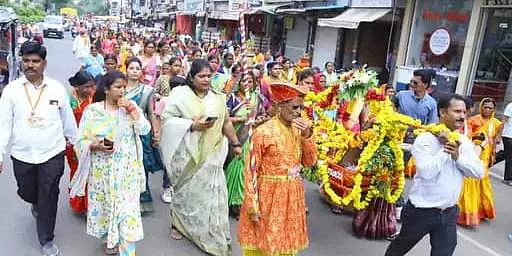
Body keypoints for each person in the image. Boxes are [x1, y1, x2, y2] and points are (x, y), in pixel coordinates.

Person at [0, 41, 77, 256]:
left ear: (44, 63)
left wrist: (78, 145)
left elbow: (68, 121)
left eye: (35, 61)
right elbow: (3, 124)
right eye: (26, 61)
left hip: (52, 153)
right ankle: (34, 202)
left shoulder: (57, 89)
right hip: (22, 155)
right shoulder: (11, 91)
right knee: (27, 191)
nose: (30, 65)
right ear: (21, 62)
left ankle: (46, 239)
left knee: (49, 194)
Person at [384, 94, 484, 256]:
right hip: (421, 211)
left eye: (464, 112)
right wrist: (445, 149)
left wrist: (458, 157)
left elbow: (479, 172)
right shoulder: (425, 139)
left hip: (449, 212)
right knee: (400, 248)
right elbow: (427, 173)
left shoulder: (462, 141)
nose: (462, 116)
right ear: (443, 112)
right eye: (457, 111)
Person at [159, 59, 241, 255]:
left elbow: (226, 122)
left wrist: (236, 143)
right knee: (186, 194)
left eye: (208, 76)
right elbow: (167, 120)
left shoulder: (218, 98)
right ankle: (178, 224)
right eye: (201, 76)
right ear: (191, 77)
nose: (205, 80)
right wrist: (192, 125)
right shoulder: (180, 95)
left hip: (213, 154)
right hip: (187, 154)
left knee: (212, 197)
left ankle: (211, 235)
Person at [71, 70, 149, 256]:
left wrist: (132, 111)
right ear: (106, 89)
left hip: (127, 170)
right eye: (118, 87)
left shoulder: (131, 108)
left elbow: (144, 129)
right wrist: (94, 146)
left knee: (127, 212)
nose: (122, 91)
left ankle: (127, 251)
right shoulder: (93, 111)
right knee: (106, 206)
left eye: (124, 87)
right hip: (102, 170)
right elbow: (79, 141)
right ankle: (109, 238)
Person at [237, 81, 317, 256]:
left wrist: (308, 136)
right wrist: (252, 205)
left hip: (292, 194)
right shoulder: (264, 132)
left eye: (301, 109)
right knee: (266, 241)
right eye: (295, 107)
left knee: (286, 243)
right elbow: (251, 171)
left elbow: (310, 162)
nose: (298, 113)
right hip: (268, 195)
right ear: (280, 106)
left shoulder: (299, 130)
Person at [225, 71, 268, 220]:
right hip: (235, 139)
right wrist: (242, 119)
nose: (247, 84)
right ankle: (228, 202)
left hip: (252, 138)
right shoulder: (232, 99)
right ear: (238, 83)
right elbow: (225, 118)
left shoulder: (258, 98)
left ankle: (239, 204)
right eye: (244, 81)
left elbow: (264, 115)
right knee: (232, 169)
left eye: (250, 82)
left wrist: (257, 121)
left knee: (245, 171)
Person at [122, 57, 162, 214]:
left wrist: (155, 132)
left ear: (141, 72)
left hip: (141, 131)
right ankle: (124, 199)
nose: (134, 71)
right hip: (123, 130)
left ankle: (141, 201)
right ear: (126, 70)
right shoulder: (119, 88)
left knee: (141, 165)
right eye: (131, 68)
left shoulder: (147, 91)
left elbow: (151, 113)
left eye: (137, 69)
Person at [457, 98, 500, 227]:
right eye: (485, 107)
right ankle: (465, 214)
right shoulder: (473, 120)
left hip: (486, 156)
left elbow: (495, 140)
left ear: (494, 110)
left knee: (483, 185)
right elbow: (468, 137)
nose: (487, 110)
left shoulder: (496, 123)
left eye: (490, 108)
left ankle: (482, 211)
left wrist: (492, 154)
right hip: (474, 153)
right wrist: (478, 139)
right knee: (470, 184)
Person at [66, 71, 96, 214]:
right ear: (77, 87)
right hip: (73, 143)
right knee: (77, 171)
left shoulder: (95, 99)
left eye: (92, 86)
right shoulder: (69, 100)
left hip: (91, 143)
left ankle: (89, 204)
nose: (90, 90)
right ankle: (78, 202)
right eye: (86, 87)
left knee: (89, 173)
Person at [502, 101, 512, 186]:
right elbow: (504, 121)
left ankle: (489, 162)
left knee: (506, 154)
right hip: (508, 135)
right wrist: (498, 135)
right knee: (510, 158)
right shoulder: (510, 106)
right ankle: (508, 178)